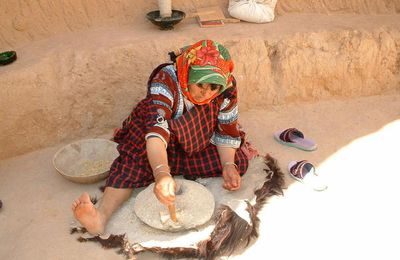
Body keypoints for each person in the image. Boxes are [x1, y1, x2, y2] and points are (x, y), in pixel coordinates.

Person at [72, 39, 257, 235]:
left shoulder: (226, 86)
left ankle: (170, 166)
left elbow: (226, 129)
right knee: (132, 163)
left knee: (238, 161)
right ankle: (100, 217)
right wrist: (161, 173)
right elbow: (156, 133)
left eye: (214, 87)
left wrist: (228, 165)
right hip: (157, 135)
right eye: (201, 84)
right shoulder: (165, 81)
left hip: (194, 139)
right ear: (187, 73)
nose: (206, 93)